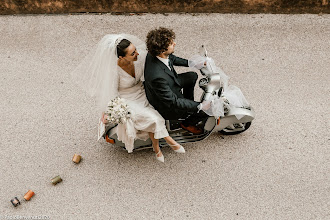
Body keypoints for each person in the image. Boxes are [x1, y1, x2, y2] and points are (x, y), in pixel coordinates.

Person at [71, 34, 185, 163]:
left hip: (142, 92)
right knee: (153, 118)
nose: (137, 53)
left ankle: (156, 147)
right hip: (128, 99)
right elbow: (111, 93)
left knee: (157, 113)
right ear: (121, 57)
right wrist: (109, 110)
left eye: (135, 50)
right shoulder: (114, 71)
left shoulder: (139, 57)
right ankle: (172, 143)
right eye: (132, 53)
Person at [144, 27, 210, 135]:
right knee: (207, 110)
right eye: (171, 43)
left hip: (168, 83)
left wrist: (192, 63)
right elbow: (173, 102)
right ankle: (187, 123)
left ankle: (189, 106)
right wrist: (200, 106)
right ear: (162, 50)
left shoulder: (155, 52)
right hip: (168, 106)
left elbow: (172, 58)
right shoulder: (157, 77)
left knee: (192, 76)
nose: (174, 43)